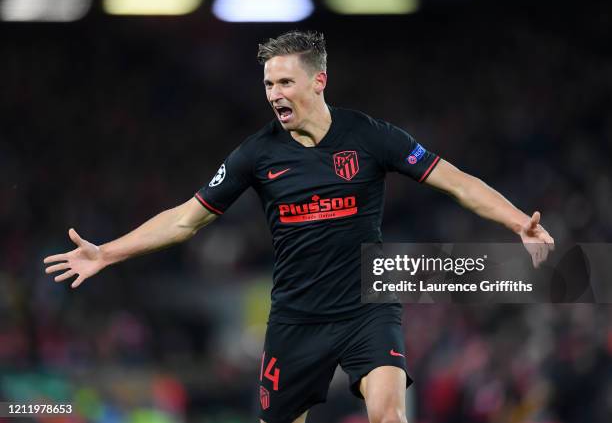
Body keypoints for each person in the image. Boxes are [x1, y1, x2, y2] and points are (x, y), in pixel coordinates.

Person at [43, 31, 554, 423]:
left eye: (285, 81)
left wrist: (517, 222)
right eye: (268, 84)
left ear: (318, 81)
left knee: (388, 415)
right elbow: (184, 220)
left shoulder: (371, 137)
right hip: (296, 318)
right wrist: (106, 253)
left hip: (366, 308)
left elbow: (457, 182)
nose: (274, 93)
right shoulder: (257, 153)